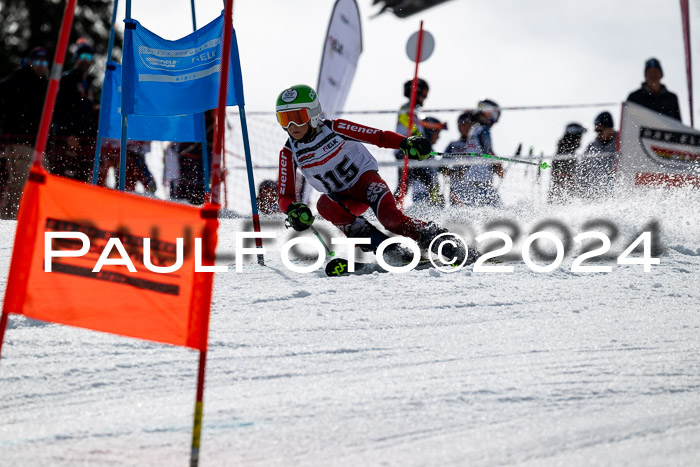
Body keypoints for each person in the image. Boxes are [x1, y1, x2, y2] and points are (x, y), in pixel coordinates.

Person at [275, 84, 478, 265]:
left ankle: (444, 242)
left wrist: (405, 143)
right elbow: (285, 196)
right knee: (323, 204)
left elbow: (378, 136)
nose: (291, 127)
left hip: (366, 183)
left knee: (391, 219)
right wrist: (293, 209)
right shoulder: (288, 153)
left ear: (312, 114)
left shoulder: (335, 128)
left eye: (297, 118)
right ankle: (387, 249)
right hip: (343, 198)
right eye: (285, 119)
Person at [0, 46, 49, 219]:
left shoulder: (44, 82)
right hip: (19, 140)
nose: (40, 65)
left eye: (44, 62)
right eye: (37, 61)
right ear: (30, 62)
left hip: (38, 143)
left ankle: (31, 217)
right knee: (19, 184)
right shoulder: (20, 77)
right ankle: (9, 219)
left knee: (42, 182)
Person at [49, 41, 98, 182]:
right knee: (60, 177)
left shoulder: (89, 84)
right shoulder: (66, 79)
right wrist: (68, 134)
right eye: (82, 55)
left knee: (81, 179)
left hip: (84, 141)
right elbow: (58, 108)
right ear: (76, 58)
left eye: (89, 57)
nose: (85, 60)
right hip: (65, 139)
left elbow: (86, 113)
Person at [452, 99, 503, 206]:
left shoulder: (474, 129)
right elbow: (488, 151)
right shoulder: (484, 130)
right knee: (498, 209)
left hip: (469, 181)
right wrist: (498, 165)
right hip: (481, 182)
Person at [394, 78, 429, 194]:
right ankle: (391, 207)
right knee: (404, 185)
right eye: (424, 95)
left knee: (424, 180)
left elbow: (420, 126)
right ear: (416, 92)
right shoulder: (406, 108)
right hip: (405, 150)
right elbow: (404, 119)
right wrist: (417, 134)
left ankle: (436, 202)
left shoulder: (415, 112)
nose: (425, 98)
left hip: (413, 151)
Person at [576, 111, 618, 199]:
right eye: (596, 130)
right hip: (594, 197)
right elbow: (581, 170)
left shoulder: (622, 143)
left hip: (615, 195)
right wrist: (583, 193)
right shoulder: (591, 147)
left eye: (600, 130)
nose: (598, 133)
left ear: (610, 128)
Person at [409, 116, 447, 206]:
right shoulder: (418, 150)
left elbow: (433, 169)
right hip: (422, 196)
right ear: (429, 132)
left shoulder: (430, 151)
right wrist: (432, 192)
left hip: (431, 196)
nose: (438, 137)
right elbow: (417, 171)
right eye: (437, 133)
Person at [548, 122, 586, 203]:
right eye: (580, 136)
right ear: (574, 137)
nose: (581, 139)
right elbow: (563, 183)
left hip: (561, 200)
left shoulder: (565, 153)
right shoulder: (565, 156)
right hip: (562, 202)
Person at [442, 111, 475, 206]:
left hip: (474, 186)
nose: (466, 128)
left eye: (469, 125)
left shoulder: (476, 145)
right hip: (456, 188)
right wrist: (454, 173)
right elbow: (442, 167)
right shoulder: (453, 145)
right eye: (463, 125)